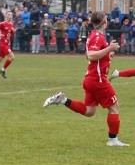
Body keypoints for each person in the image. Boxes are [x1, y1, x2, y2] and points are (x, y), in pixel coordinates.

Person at [43, 10, 128, 147]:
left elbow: (89, 55)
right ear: (104, 21)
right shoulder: (98, 37)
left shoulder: (93, 36)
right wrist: (108, 49)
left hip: (91, 78)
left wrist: (108, 53)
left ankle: (63, 100)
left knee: (89, 111)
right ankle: (113, 140)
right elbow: (91, 56)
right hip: (98, 79)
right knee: (114, 107)